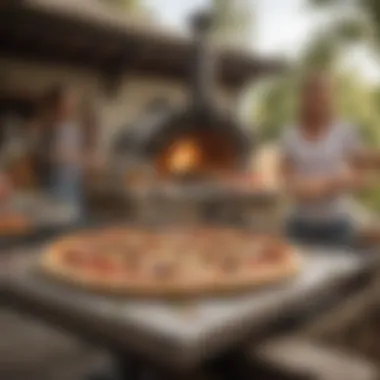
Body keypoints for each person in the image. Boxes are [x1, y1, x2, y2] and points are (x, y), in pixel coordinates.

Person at [281, 73, 379, 245]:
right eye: (315, 94)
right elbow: (289, 184)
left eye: (326, 94)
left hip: (338, 225)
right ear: (305, 97)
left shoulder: (345, 131)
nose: (320, 99)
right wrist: (332, 183)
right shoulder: (290, 135)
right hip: (299, 225)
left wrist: (353, 179)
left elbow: (361, 163)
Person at [34, 86, 101, 219]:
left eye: (73, 100)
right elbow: (51, 155)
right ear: (57, 105)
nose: (73, 104)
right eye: (69, 100)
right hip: (55, 186)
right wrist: (82, 158)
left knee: (74, 220)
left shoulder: (72, 127)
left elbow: (78, 153)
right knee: (58, 220)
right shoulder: (47, 126)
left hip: (74, 185)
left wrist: (87, 161)